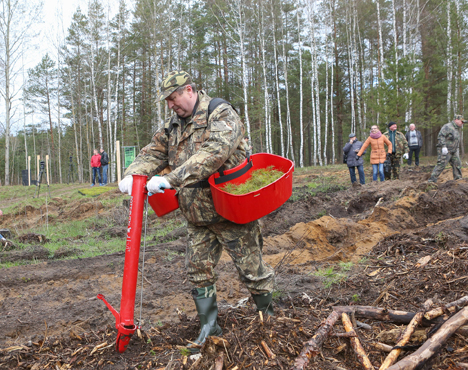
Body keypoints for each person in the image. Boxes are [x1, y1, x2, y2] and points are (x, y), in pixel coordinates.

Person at [118, 71, 275, 351]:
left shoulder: (220, 112)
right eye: (166, 101)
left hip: (231, 209)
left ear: (188, 90)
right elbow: (153, 152)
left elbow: (215, 153)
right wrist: (133, 175)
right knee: (197, 271)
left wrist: (170, 179)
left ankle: (270, 320)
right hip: (197, 214)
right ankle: (209, 327)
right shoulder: (173, 125)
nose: (170, 105)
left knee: (252, 269)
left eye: (173, 98)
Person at [428, 114, 466, 183]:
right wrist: (443, 146)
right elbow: (441, 136)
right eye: (461, 121)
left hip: (453, 151)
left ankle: (458, 180)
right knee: (441, 165)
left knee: (457, 164)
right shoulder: (447, 127)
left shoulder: (456, 129)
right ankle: (431, 181)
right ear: (456, 120)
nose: (462, 123)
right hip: (445, 150)